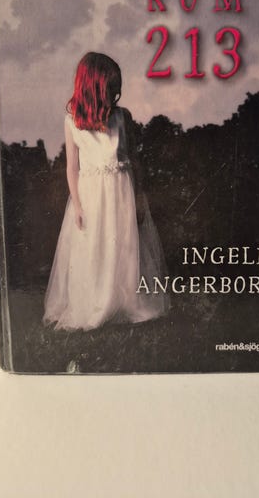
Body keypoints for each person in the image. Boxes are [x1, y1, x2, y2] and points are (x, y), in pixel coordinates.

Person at [43, 52, 169, 331]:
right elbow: (72, 167)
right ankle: (94, 303)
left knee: (124, 245)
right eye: (110, 87)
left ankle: (124, 301)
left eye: (116, 88)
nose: (115, 94)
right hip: (92, 195)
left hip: (121, 190)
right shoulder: (72, 121)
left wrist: (139, 196)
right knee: (93, 247)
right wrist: (77, 205)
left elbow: (134, 159)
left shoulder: (122, 117)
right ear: (94, 87)